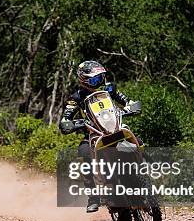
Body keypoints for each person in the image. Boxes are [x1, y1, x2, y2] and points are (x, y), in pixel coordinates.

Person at [58, 60, 136, 213]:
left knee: (135, 138)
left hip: (116, 129)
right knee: (85, 153)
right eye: (95, 79)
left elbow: (125, 100)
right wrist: (68, 122)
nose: (99, 81)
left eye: (101, 77)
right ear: (84, 80)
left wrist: (131, 105)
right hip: (93, 134)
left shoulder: (110, 88)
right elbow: (67, 115)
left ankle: (145, 168)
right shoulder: (77, 97)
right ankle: (93, 197)